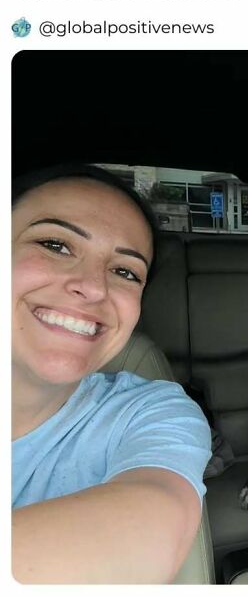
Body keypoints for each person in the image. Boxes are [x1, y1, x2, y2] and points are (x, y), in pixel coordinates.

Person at [12, 164, 212, 584]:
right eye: (55, 244)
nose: (95, 287)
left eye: (125, 272)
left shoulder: (150, 412)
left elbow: (155, 525)